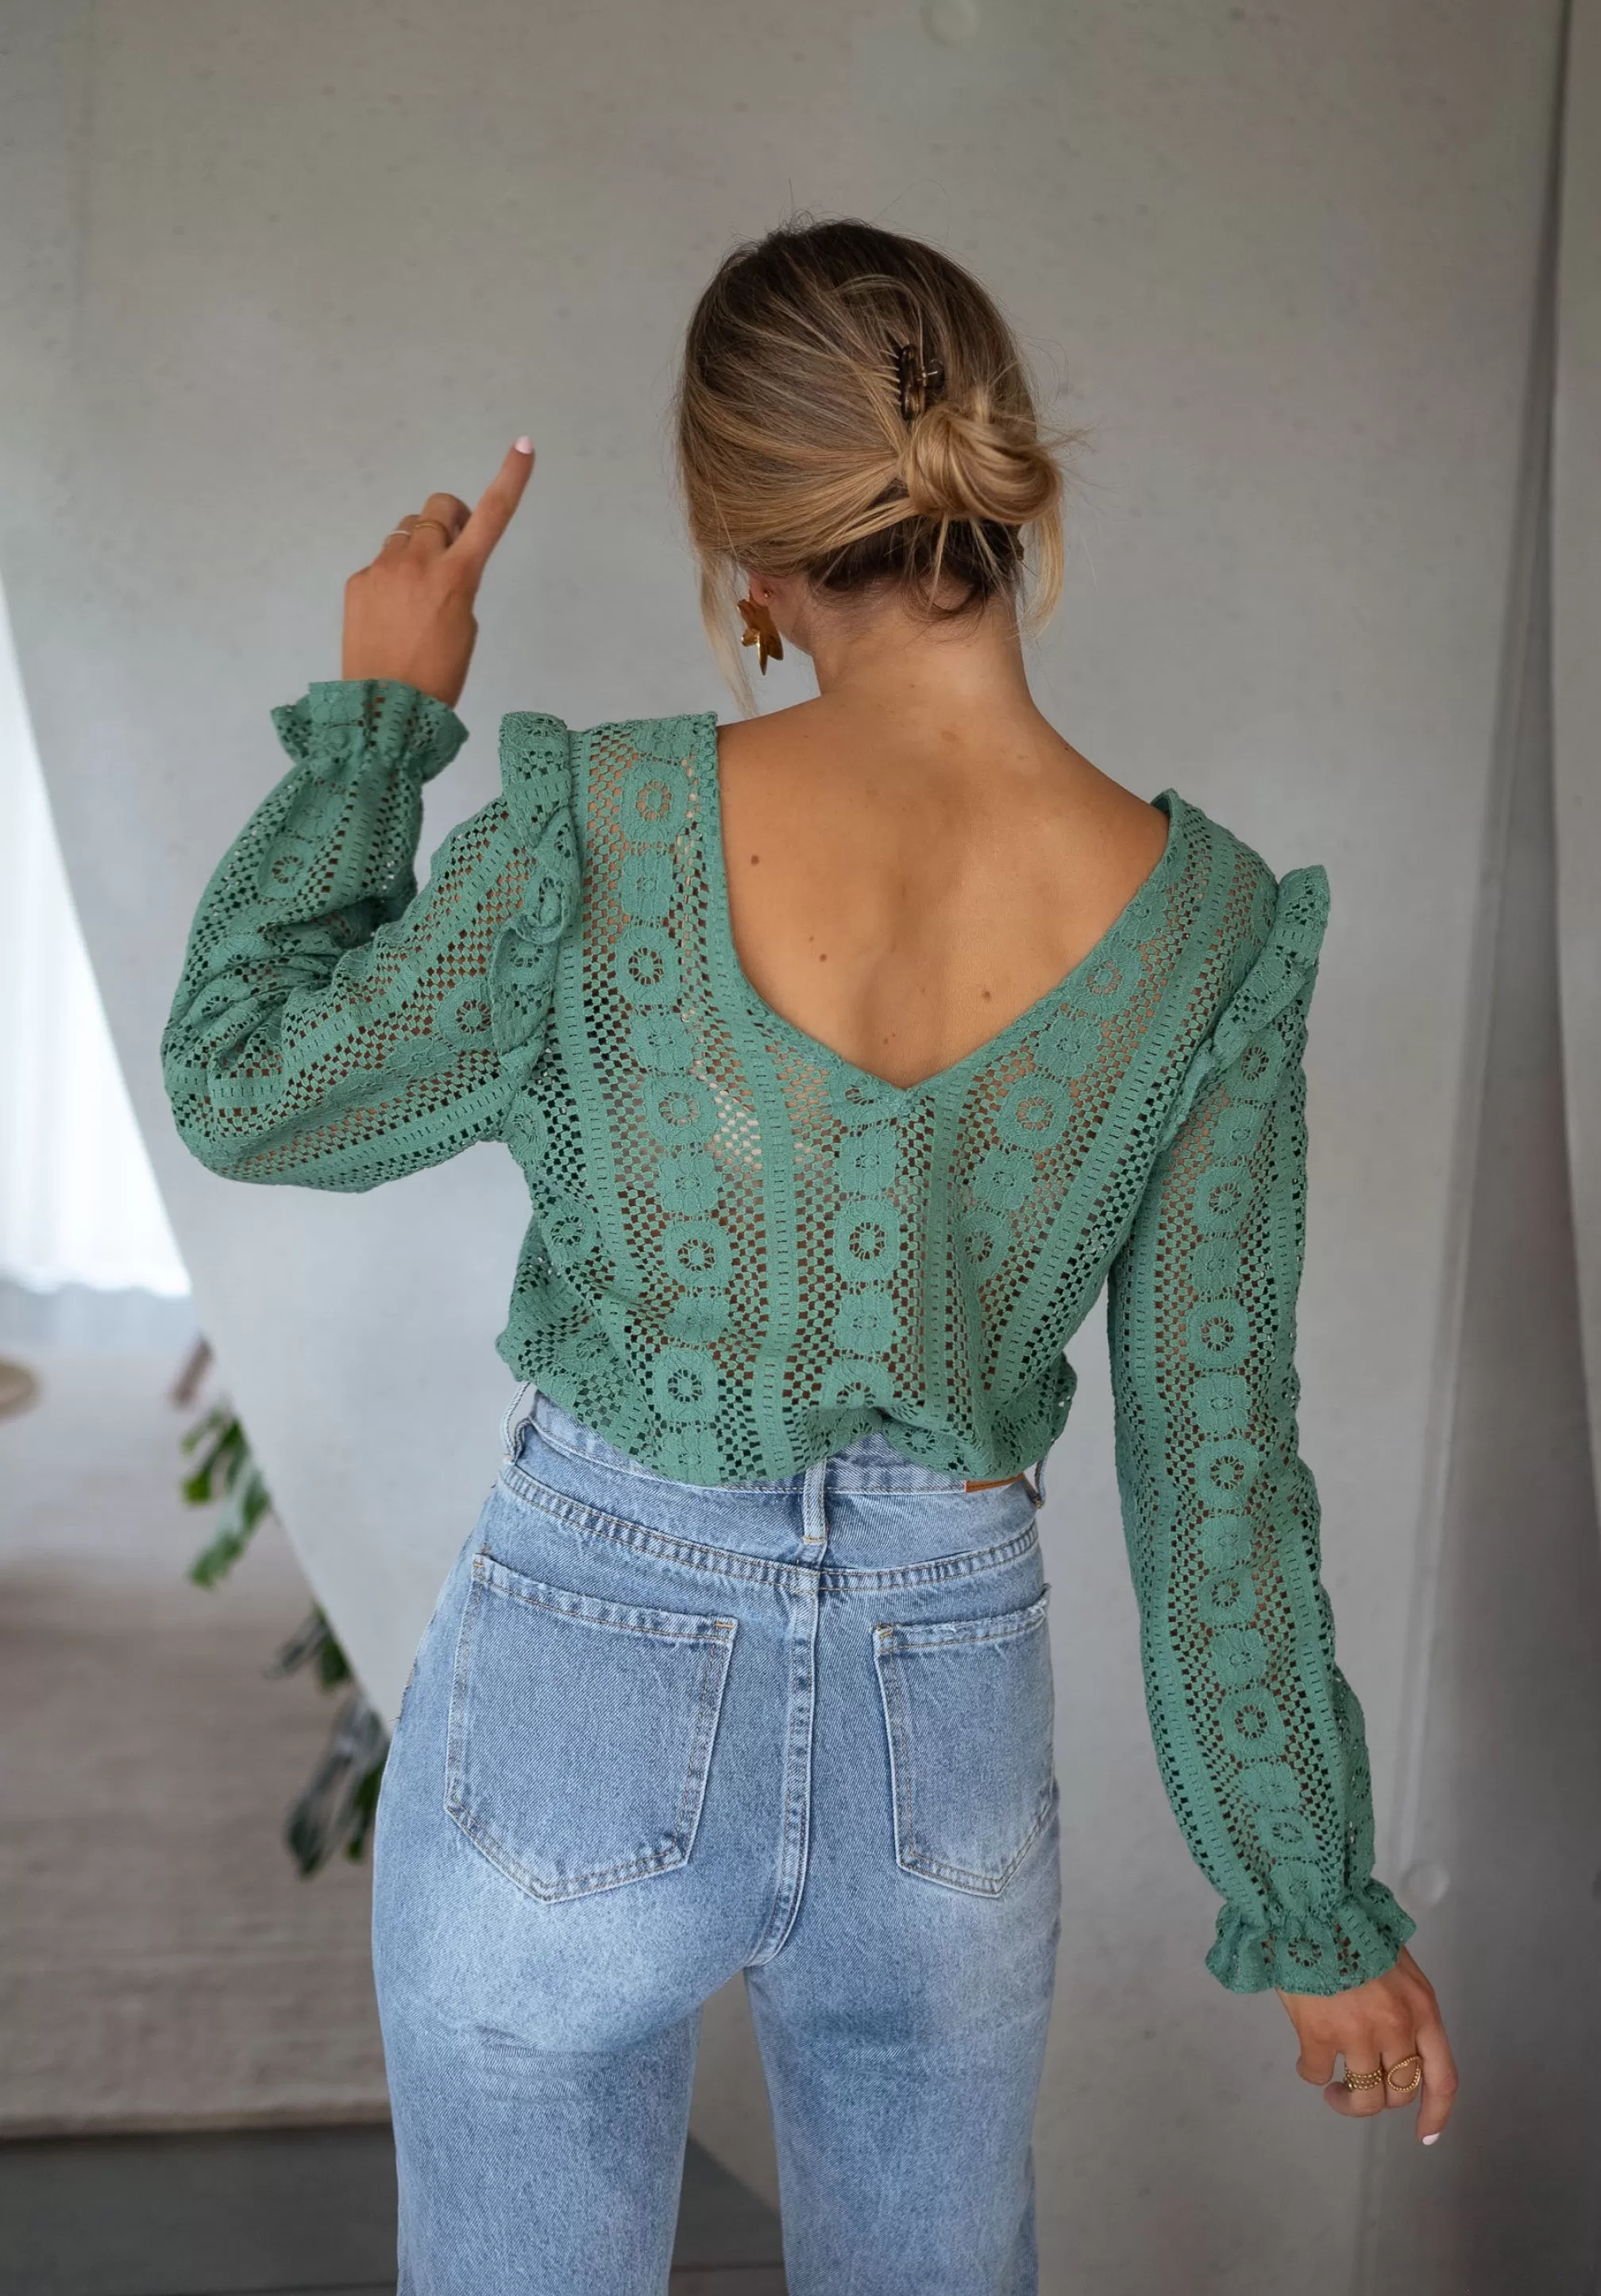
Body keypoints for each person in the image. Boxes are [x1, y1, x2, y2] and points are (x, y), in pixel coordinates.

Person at [160, 218, 1456, 2294]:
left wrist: (381, 720)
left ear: (742, 559)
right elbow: (1217, 1468)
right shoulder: (1203, 933)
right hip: (947, 1718)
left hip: (587, 1669)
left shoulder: (609, 828)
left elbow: (250, 1084)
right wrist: (1313, 1911)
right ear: (1010, 500)